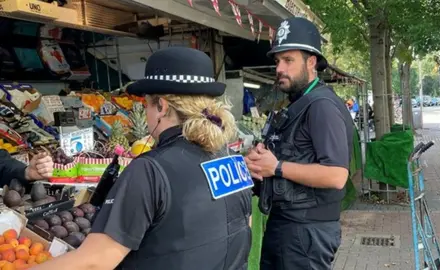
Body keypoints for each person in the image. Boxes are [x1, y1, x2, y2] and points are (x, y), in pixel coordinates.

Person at [33, 47, 252, 270]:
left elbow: (94, 262)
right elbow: (242, 227)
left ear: (162, 107)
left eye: (145, 104)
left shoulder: (151, 170)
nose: (145, 113)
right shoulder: (232, 159)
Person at [245, 17, 353, 270]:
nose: (279, 68)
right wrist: (262, 159)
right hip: (291, 227)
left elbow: (337, 175)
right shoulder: (301, 102)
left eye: (288, 60)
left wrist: (277, 167)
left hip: (304, 233)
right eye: (277, 61)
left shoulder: (321, 106)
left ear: (311, 62)